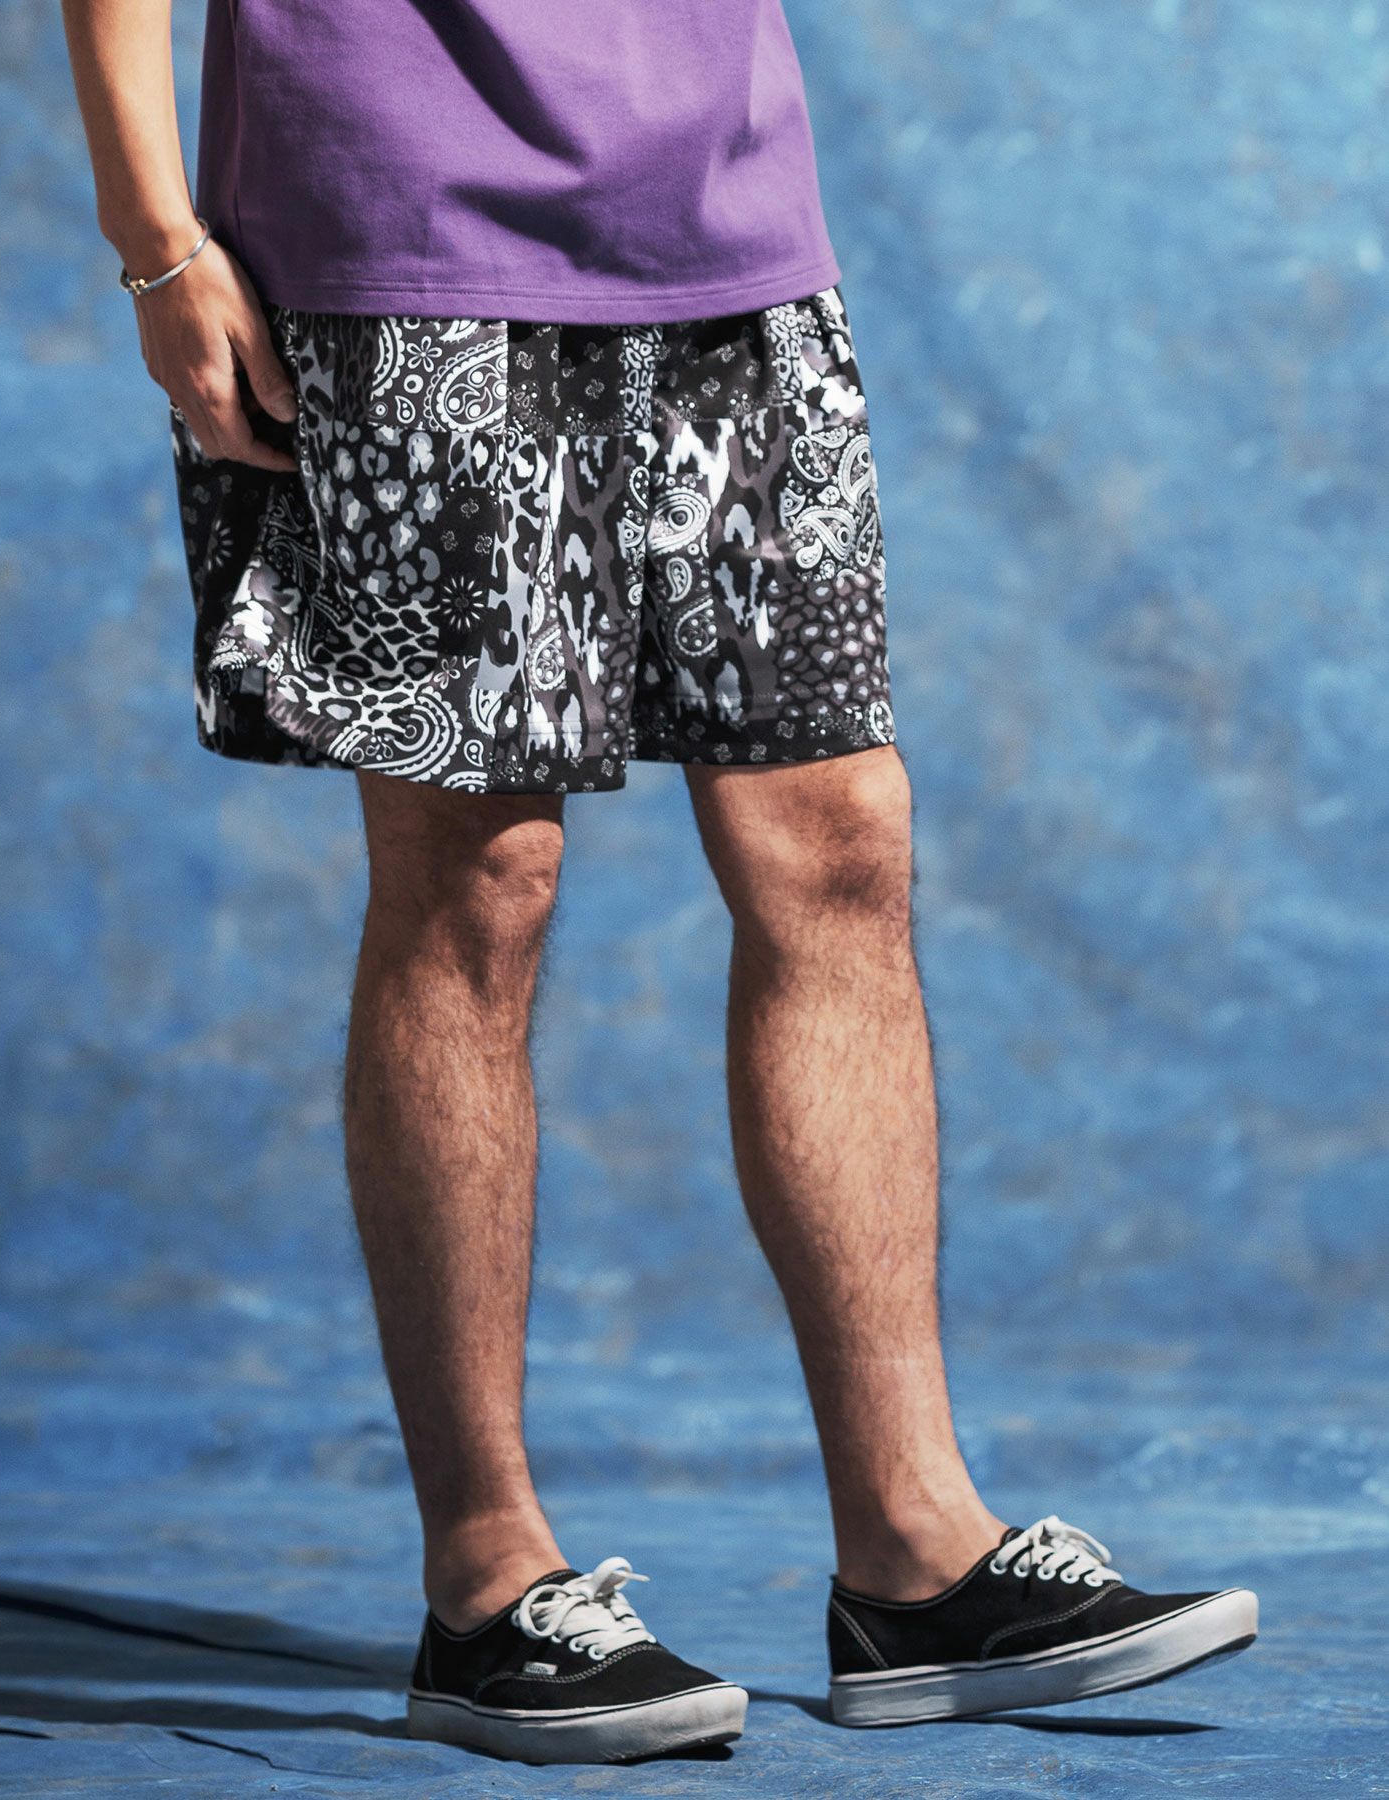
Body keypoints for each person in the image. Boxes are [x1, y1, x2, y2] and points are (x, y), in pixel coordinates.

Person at [61, 0, 1258, 1765]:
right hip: (403, 227)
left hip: (728, 219)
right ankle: (486, 1583)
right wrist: (156, 239)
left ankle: (916, 1556)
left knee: (837, 843)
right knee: (479, 877)